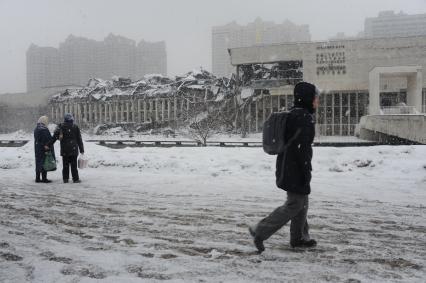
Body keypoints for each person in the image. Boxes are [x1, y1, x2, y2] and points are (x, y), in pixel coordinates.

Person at [249, 82, 320, 254]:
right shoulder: (303, 118)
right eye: (316, 98)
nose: (317, 101)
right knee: (295, 204)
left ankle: (299, 238)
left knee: (302, 202)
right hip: (295, 168)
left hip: (288, 165)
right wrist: (305, 171)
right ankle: (260, 230)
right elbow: (303, 149)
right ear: (309, 98)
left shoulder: (294, 114)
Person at [50, 113, 84, 183]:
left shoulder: (61, 126)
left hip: (65, 149)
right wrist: (81, 149)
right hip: (74, 149)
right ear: (72, 119)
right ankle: (75, 179)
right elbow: (79, 139)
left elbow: (54, 137)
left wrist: (48, 144)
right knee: (74, 166)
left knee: (65, 165)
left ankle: (65, 179)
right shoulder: (75, 127)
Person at [34, 116, 55, 183]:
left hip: (37, 148)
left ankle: (37, 178)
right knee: (44, 163)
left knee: (38, 162)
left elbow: (37, 139)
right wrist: (47, 146)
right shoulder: (44, 129)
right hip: (44, 148)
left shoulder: (36, 128)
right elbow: (48, 139)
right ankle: (44, 178)